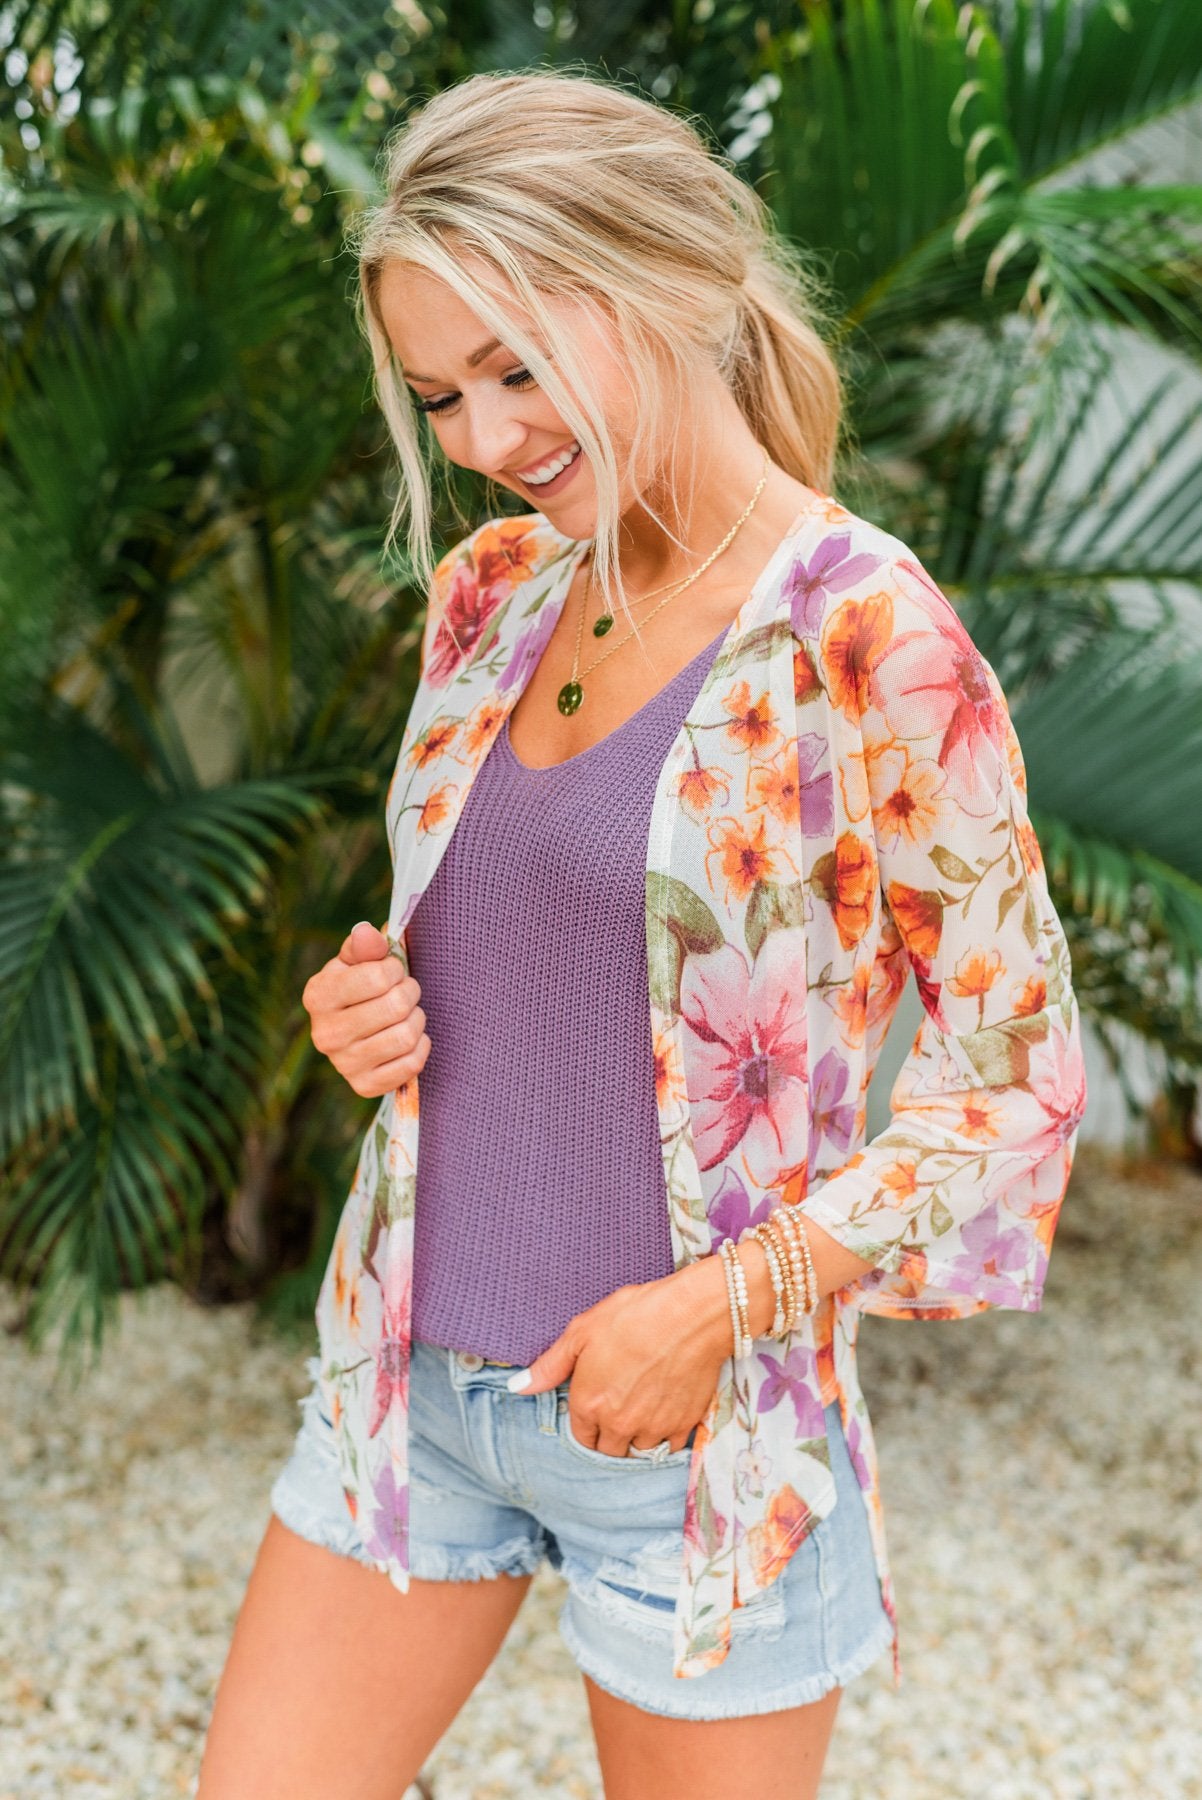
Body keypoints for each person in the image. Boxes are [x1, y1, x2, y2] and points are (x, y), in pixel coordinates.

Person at [197, 67, 1087, 1800]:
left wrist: (718, 1308)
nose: (480, 438)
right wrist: (365, 1006)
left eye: (518, 368)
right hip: (406, 1389)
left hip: (703, 1440)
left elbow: (1015, 1077)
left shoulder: (862, 630)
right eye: (439, 394)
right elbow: (510, 950)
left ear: (672, 281)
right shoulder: (492, 593)